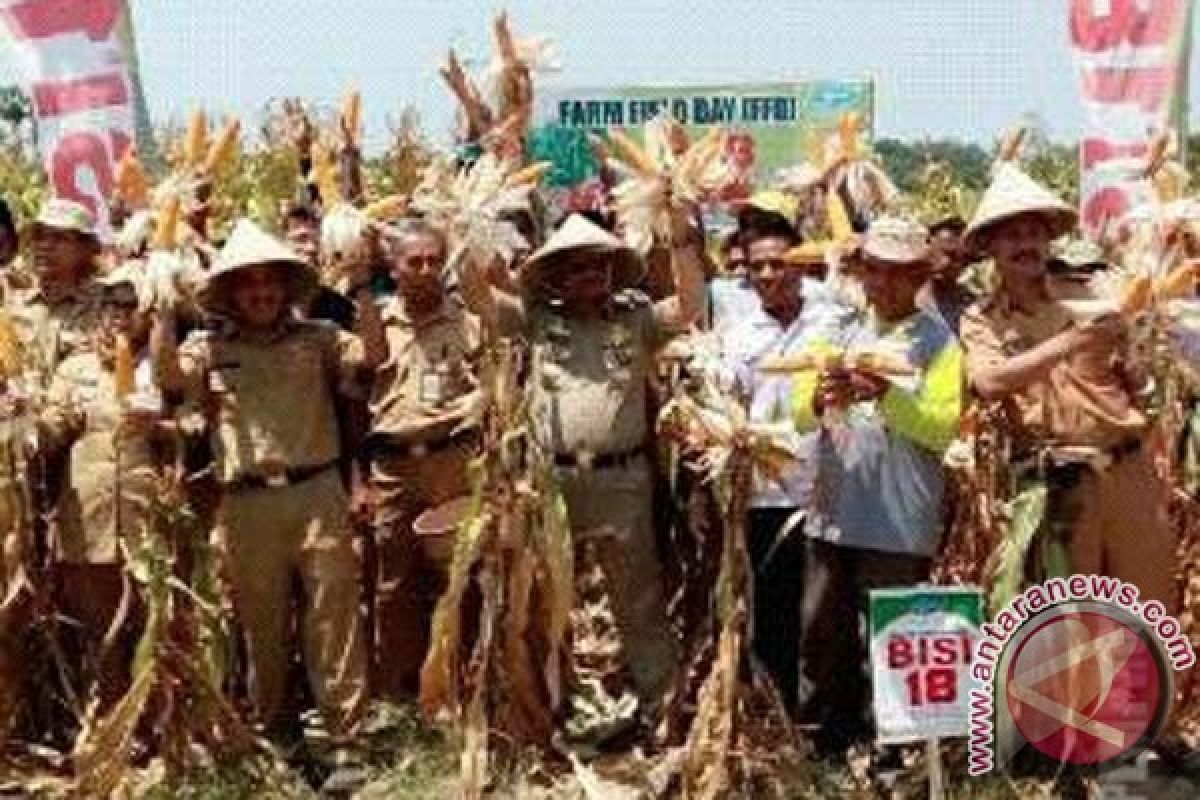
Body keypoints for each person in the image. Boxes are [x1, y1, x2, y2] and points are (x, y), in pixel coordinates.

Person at [151, 219, 384, 786]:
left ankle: (346, 742)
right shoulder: (209, 347)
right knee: (262, 625)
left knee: (333, 621)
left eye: (270, 283)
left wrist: (361, 286)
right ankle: (279, 731)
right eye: (248, 284)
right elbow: (166, 376)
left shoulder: (320, 337)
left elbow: (372, 354)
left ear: (286, 287)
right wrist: (160, 303)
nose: (261, 293)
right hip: (247, 505)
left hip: (317, 492)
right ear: (230, 291)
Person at [460, 212, 705, 718]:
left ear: (613, 270)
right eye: (573, 268)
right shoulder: (537, 320)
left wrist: (680, 238)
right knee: (546, 598)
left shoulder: (636, 319)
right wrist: (466, 232)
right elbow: (478, 301)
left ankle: (662, 703)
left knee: (638, 597)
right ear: (554, 277)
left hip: (624, 479)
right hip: (551, 482)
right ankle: (548, 704)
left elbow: (689, 306)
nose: (587, 276)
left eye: (596, 265)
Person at [958, 164, 1176, 610]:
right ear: (991, 249)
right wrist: (1067, 343)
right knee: (1069, 626)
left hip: (1126, 472)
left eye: (1035, 234)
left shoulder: (1091, 295)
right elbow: (989, 382)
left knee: (1146, 616)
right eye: (1013, 236)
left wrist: (1138, 354)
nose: (1027, 245)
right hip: (1056, 485)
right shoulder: (982, 319)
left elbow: (1140, 374)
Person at [790, 216, 962, 753]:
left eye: (898, 273)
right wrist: (821, 397)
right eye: (875, 271)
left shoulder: (939, 342)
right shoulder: (835, 331)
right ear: (862, 272)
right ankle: (824, 744)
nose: (884, 284)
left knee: (891, 638)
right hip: (833, 510)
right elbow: (799, 412)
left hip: (899, 519)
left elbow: (940, 427)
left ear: (919, 277)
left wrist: (885, 393)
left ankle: (894, 748)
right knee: (822, 635)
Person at [716, 213, 840, 713]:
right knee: (770, 611)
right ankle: (778, 714)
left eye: (778, 264)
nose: (767, 275)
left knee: (822, 614)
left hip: (828, 490)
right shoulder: (739, 334)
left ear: (800, 264)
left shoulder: (834, 320)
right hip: (765, 495)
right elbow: (727, 406)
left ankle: (824, 720)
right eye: (757, 267)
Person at [36, 266, 164, 713]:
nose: (120, 316)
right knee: (101, 633)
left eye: (131, 307)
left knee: (155, 629)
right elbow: (53, 430)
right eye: (112, 305)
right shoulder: (74, 370)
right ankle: (110, 726)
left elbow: (197, 425)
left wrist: (163, 425)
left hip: (150, 522)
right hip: (89, 523)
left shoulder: (163, 366)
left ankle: (157, 727)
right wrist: (23, 422)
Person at [365, 219, 481, 698]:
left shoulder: (468, 322)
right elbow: (353, 400)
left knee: (461, 576)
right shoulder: (375, 324)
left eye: (435, 260)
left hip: (453, 461)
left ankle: (465, 679)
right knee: (393, 583)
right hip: (392, 468)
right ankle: (400, 691)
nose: (426, 269)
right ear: (394, 269)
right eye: (415, 261)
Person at [920, 215, 975, 334]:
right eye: (943, 252)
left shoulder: (970, 306)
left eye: (957, 259)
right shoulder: (900, 291)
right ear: (927, 246)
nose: (945, 262)